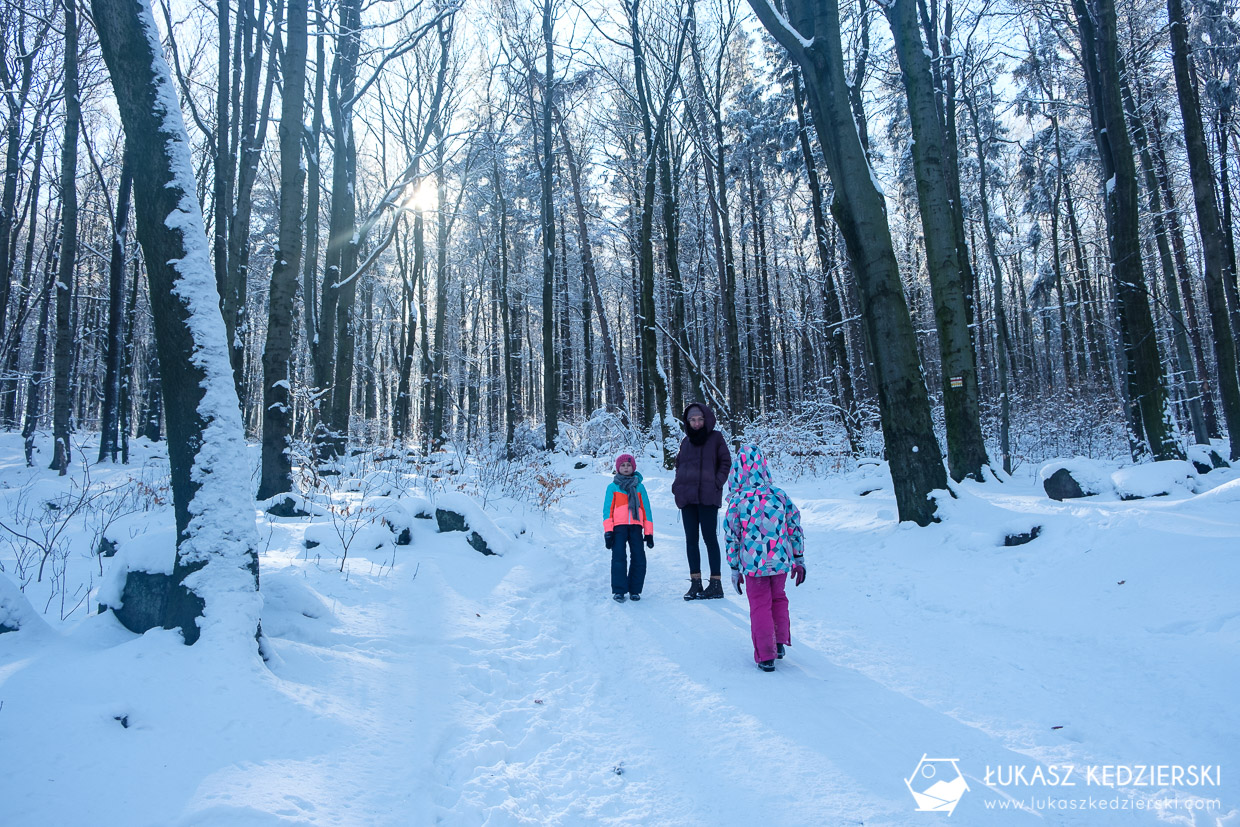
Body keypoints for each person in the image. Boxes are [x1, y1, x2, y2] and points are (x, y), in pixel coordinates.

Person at [724, 443, 806, 672]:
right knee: (778, 599)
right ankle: (779, 643)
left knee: (760, 605)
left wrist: (734, 567)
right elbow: (794, 527)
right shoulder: (779, 495)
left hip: (753, 565)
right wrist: (799, 558)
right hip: (780, 562)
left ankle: (765, 655)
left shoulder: (738, 501)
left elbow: (732, 536)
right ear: (763, 467)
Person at [671, 403, 731, 600]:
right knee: (691, 541)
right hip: (687, 498)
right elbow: (679, 465)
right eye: (692, 420)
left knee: (710, 539)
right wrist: (677, 486)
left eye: (699, 419)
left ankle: (716, 583)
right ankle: (695, 583)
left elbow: (725, 462)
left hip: (707, 497)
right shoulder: (685, 442)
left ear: (706, 419)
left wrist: (717, 482)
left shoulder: (716, 438)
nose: (696, 423)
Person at [603, 453, 654, 602]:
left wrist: (649, 533)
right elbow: (608, 511)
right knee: (618, 558)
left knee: (639, 558)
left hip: (636, 527)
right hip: (619, 527)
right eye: (623, 465)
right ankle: (619, 590)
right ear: (618, 468)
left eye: (629, 465)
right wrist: (608, 531)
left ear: (633, 467)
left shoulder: (639, 487)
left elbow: (646, 510)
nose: (626, 468)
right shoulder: (612, 487)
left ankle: (635, 589)